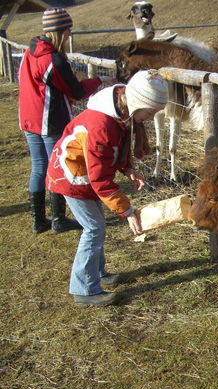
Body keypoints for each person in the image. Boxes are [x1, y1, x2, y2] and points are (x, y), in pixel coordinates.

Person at [47, 69, 169, 306]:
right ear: (137, 104)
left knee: (97, 226)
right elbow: (100, 178)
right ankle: (84, 289)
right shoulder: (101, 126)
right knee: (93, 229)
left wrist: (127, 169)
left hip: (84, 176)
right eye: (151, 112)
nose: (152, 117)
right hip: (71, 178)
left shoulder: (119, 114)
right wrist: (127, 211)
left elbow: (112, 153)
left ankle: (98, 272)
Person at [18, 7, 115, 234]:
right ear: (60, 31)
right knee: (57, 167)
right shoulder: (53, 60)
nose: (70, 35)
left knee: (39, 167)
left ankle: (38, 220)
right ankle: (59, 219)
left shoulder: (30, 51)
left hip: (27, 118)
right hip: (49, 120)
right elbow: (76, 91)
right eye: (68, 30)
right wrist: (100, 80)